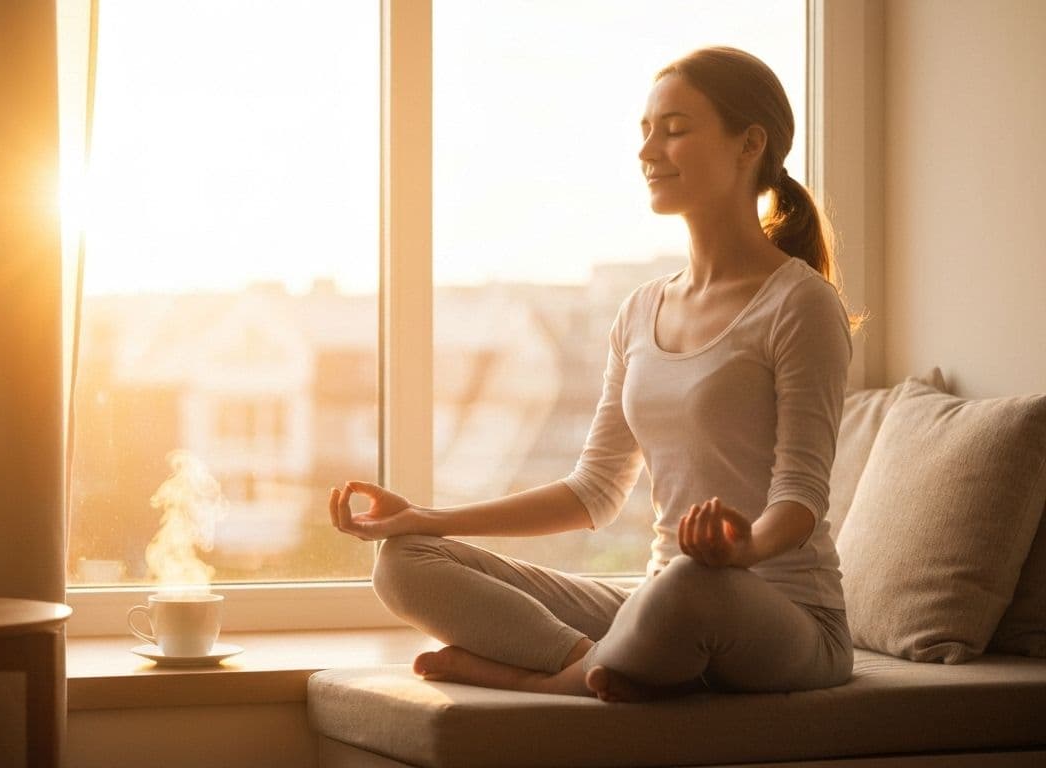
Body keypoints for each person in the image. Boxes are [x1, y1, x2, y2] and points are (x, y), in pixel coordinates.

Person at [328, 46, 858, 702]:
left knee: (692, 585)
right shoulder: (640, 310)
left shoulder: (799, 302)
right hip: (662, 602)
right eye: (644, 131)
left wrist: (739, 552)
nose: (647, 151)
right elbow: (594, 492)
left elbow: (799, 500)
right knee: (404, 566)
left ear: (749, 143)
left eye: (674, 129)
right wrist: (426, 519)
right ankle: (592, 666)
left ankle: (537, 677)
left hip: (784, 617)